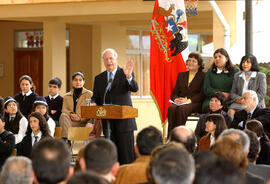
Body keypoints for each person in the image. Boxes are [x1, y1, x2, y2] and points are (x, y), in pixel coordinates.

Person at [91, 48, 138, 165]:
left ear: (116, 59)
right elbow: (96, 97)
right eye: (106, 59)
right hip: (108, 124)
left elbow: (134, 88)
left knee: (126, 158)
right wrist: (93, 103)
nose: (109, 61)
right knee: (111, 158)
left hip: (125, 123)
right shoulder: (99, 78)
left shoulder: (125, 73)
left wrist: (128, 77)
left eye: (111, 58)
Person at [167, 52, 205, 136]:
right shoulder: (181, 75)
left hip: (195, 103)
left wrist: (188, 100)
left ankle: (180, 136)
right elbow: (174, 93)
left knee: (181, 109)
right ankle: (171, 136)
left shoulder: (203, 76)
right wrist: (176, 99)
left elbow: (202, 94)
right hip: (180, 102)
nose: (190, 62)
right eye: (189, 60)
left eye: (194, 61)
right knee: (171, 108)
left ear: (199, 64)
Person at [59, 72, 93, 142]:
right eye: (75, 80)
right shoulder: (66, 96)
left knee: (65, 125)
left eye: (80, 80)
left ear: (84, 82)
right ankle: (66, 139)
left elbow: (90, 111)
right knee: (63, 115)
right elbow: (64, 110)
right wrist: (71, 114)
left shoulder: (89, 94)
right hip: (70, 121)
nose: (78, 82)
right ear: (72, 82)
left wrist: (80, 118)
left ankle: (65, 141)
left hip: (83, 122)